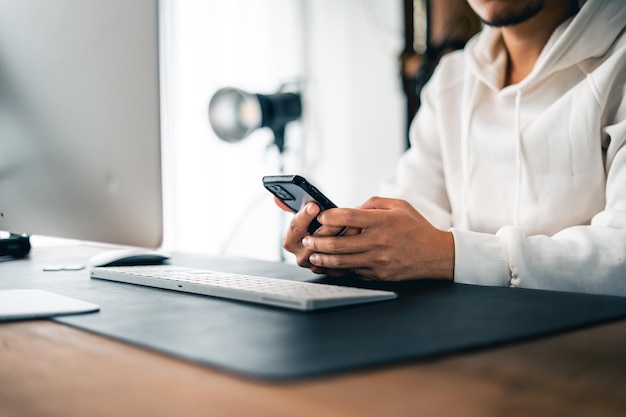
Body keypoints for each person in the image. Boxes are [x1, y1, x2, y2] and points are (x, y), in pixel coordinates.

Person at [277, 0, 626, 296]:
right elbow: (410, 215)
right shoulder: (452, 80)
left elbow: (619, 254)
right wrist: (351, 249)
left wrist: (450, 254)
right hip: (463, 342)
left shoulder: (617, 65)